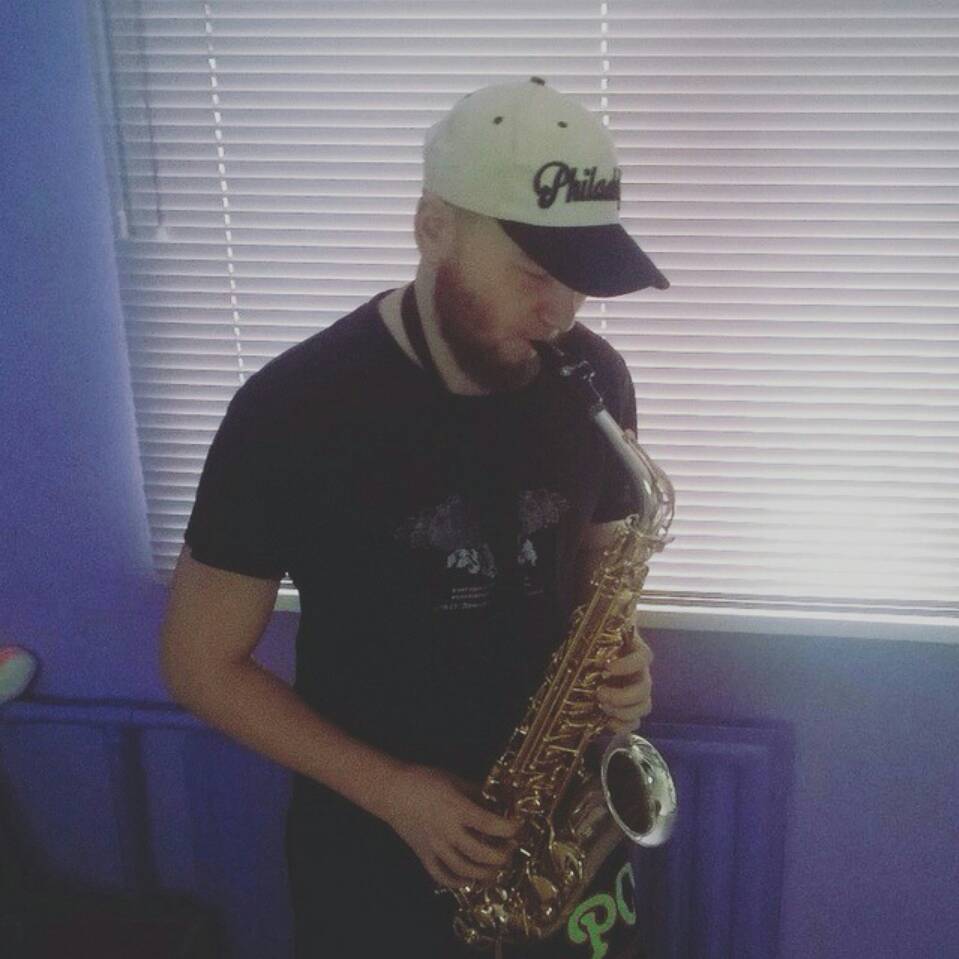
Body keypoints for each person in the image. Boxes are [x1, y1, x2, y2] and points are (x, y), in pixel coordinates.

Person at [159, 77, 669, 958]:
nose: (560, 314)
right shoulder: (292, 411)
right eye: (534, 273)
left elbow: (601, 570)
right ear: (433, 226)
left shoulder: (591, 378)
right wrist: (392, 790)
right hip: (375, 849)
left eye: (580, 281)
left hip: (563, 830)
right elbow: (198, 664)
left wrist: (623, 659)